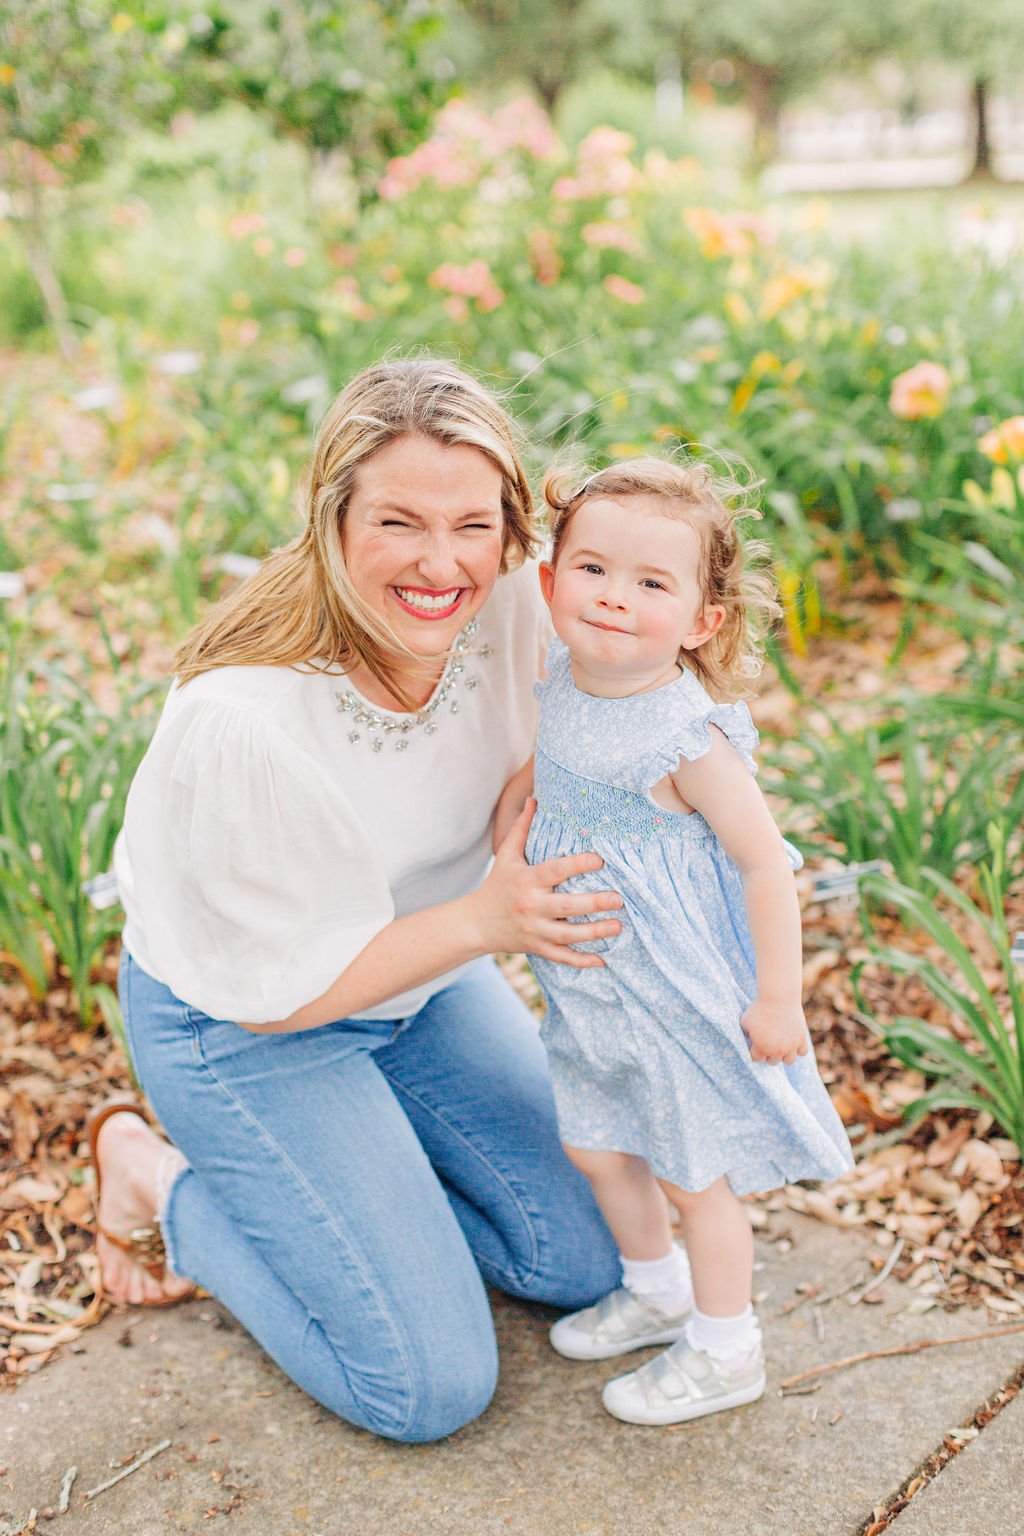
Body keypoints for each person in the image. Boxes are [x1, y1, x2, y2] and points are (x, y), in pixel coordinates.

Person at [90, 358, 626, 1444]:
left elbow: (647, 639)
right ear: (331, 518)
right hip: (243, 1024)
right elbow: (272, 993)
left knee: (588, 1260)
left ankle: (362, 1185)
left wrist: (549, 774)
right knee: (425, 1389)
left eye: (474, 524)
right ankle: (153, 1177)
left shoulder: (514, 594)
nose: (442, 564)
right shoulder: (244, 717)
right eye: (398, 522)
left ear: (511, 527)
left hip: (420, 980)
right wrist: (489, 922)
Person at [502, 455, 853, 1427]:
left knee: (691, 1176)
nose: (615, 598)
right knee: (597, 1144)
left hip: (671, 987)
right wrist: (517, 812)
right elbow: (555, 770)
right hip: (585, 983)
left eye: (652, 583)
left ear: (701, 619)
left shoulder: (686, 737)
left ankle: (723, 1346)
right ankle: (653, 1288)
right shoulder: (564, 678)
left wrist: (777, 997)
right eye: (593, 570)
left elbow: (761, 863)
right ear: (549, 580)